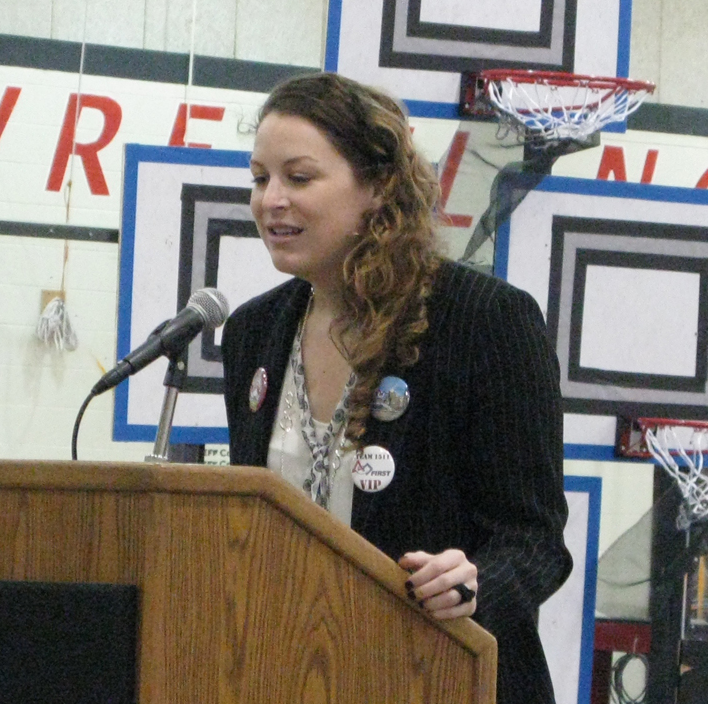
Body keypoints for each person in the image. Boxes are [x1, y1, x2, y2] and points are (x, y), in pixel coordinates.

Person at [221, 72, 572, 704]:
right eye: (259, 178)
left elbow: (537, 542)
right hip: (292, 676)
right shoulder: (252, 333)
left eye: (299, 178)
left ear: (378, 187)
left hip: (441, 676)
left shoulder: (487, 321)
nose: (271, 200)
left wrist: (475, 584)